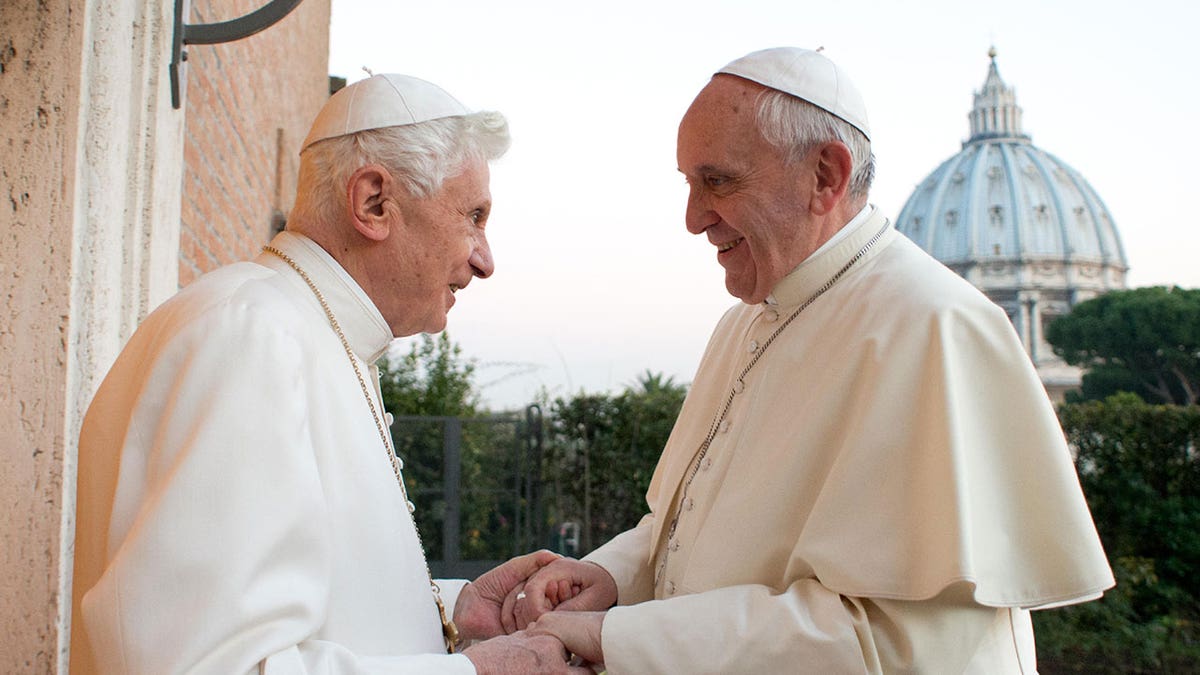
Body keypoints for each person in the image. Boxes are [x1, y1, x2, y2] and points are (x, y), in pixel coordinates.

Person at [509, 47, 1116, 673]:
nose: (692, 219)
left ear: (825, 175)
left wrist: (618, 638)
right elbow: (682, 531)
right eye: (688, 183)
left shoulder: (933, 327)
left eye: (717, 181)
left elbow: (895, 644)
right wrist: (608, 578)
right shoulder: (744, 322)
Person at [70, 73, 588, 674]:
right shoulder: (253, 336)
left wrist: (455, 609)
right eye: (473, 215)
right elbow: (208, 665)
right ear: (373, 202)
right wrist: (478, 671)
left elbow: (310, 609)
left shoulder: (304, 332)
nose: (484, 258)